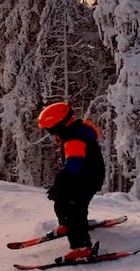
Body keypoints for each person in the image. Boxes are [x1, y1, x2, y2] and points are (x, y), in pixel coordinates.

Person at [38, 101, 106, 261]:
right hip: (82, 176)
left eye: (50, 130)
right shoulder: (76, 131)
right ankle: (66, 225)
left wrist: (61, 183)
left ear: (60, 125)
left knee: (75, 209)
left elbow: (74, 165)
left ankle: (82, 247)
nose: (51, 134)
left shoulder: (74, 139)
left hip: (87, 178)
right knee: (61, 201)